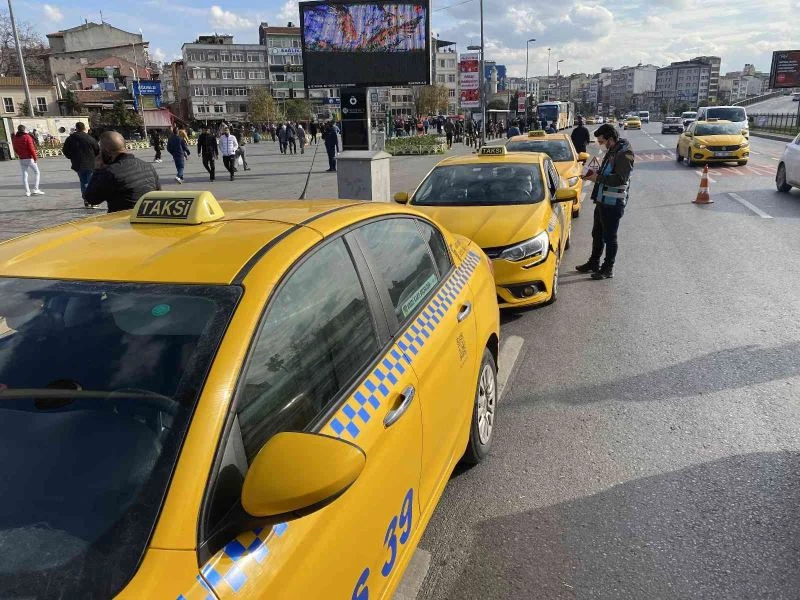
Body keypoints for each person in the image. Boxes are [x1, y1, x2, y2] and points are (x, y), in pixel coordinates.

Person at [576, 123, 635, 280]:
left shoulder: (624, 153)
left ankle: (608, 268)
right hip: (603, 200)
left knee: (610, 237)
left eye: (602, 142)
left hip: (613, 202)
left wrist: (597, 178)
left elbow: (621, 178)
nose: (601, 145)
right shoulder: (613, 151)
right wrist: (590, 173)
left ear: (610, 139)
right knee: (597, 233)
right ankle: (594, 262)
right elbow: (605, 171)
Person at [84, 131, 160, 212]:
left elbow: (91, 199)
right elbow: (158, 193)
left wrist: (97, 170)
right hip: (147, 216)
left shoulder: (110, 172)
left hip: (123, 220)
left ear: (106, 151)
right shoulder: (148, 166)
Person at [62, 121, 100, 206]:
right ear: (84, 128)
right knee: (89, 182)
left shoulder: (70, 139)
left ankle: (86, 199)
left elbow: (65, 150)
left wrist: (71, 157)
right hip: (90, 163)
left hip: (78, 164)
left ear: (76, 128)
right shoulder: (90, 138)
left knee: (83, 181)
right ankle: (91, 200)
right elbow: (97, 150)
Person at [11, 125, 44, 197]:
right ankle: (36, 189)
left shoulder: (15, 138)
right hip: (29, 158)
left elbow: (15, 148)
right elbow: (31, 148)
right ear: (24, 129)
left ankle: (27, 191)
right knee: (37, 172)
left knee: (24, 175)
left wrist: (19, 154)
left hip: (21, 158)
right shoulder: (27, 137)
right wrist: (35, 158)